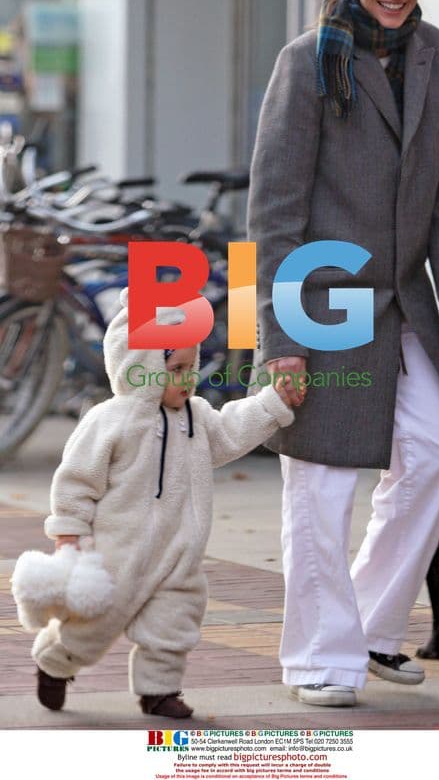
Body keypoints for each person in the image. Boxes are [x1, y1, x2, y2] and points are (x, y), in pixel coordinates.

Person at [247, 0, 439, 708]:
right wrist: (279, 341)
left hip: (407, 301)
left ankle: (373, 629)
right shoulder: (308, 61)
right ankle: (319, 656)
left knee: (438, 454)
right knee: (319, 477)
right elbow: (272, 211)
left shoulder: (435, 52)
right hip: (323, 300)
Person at [29, 288, 302, 718]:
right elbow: (76, 481)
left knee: (173, 627)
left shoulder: (195, 417)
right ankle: (55, 661)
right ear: (141, 367)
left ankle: (160, 691)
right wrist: (69, 536)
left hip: (179, 553)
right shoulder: (110, 420)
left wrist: (272, 403)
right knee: (89, 629)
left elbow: (232, 431)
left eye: (191, 367)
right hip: (117, 556)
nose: (187, 378)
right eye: (174, 368)